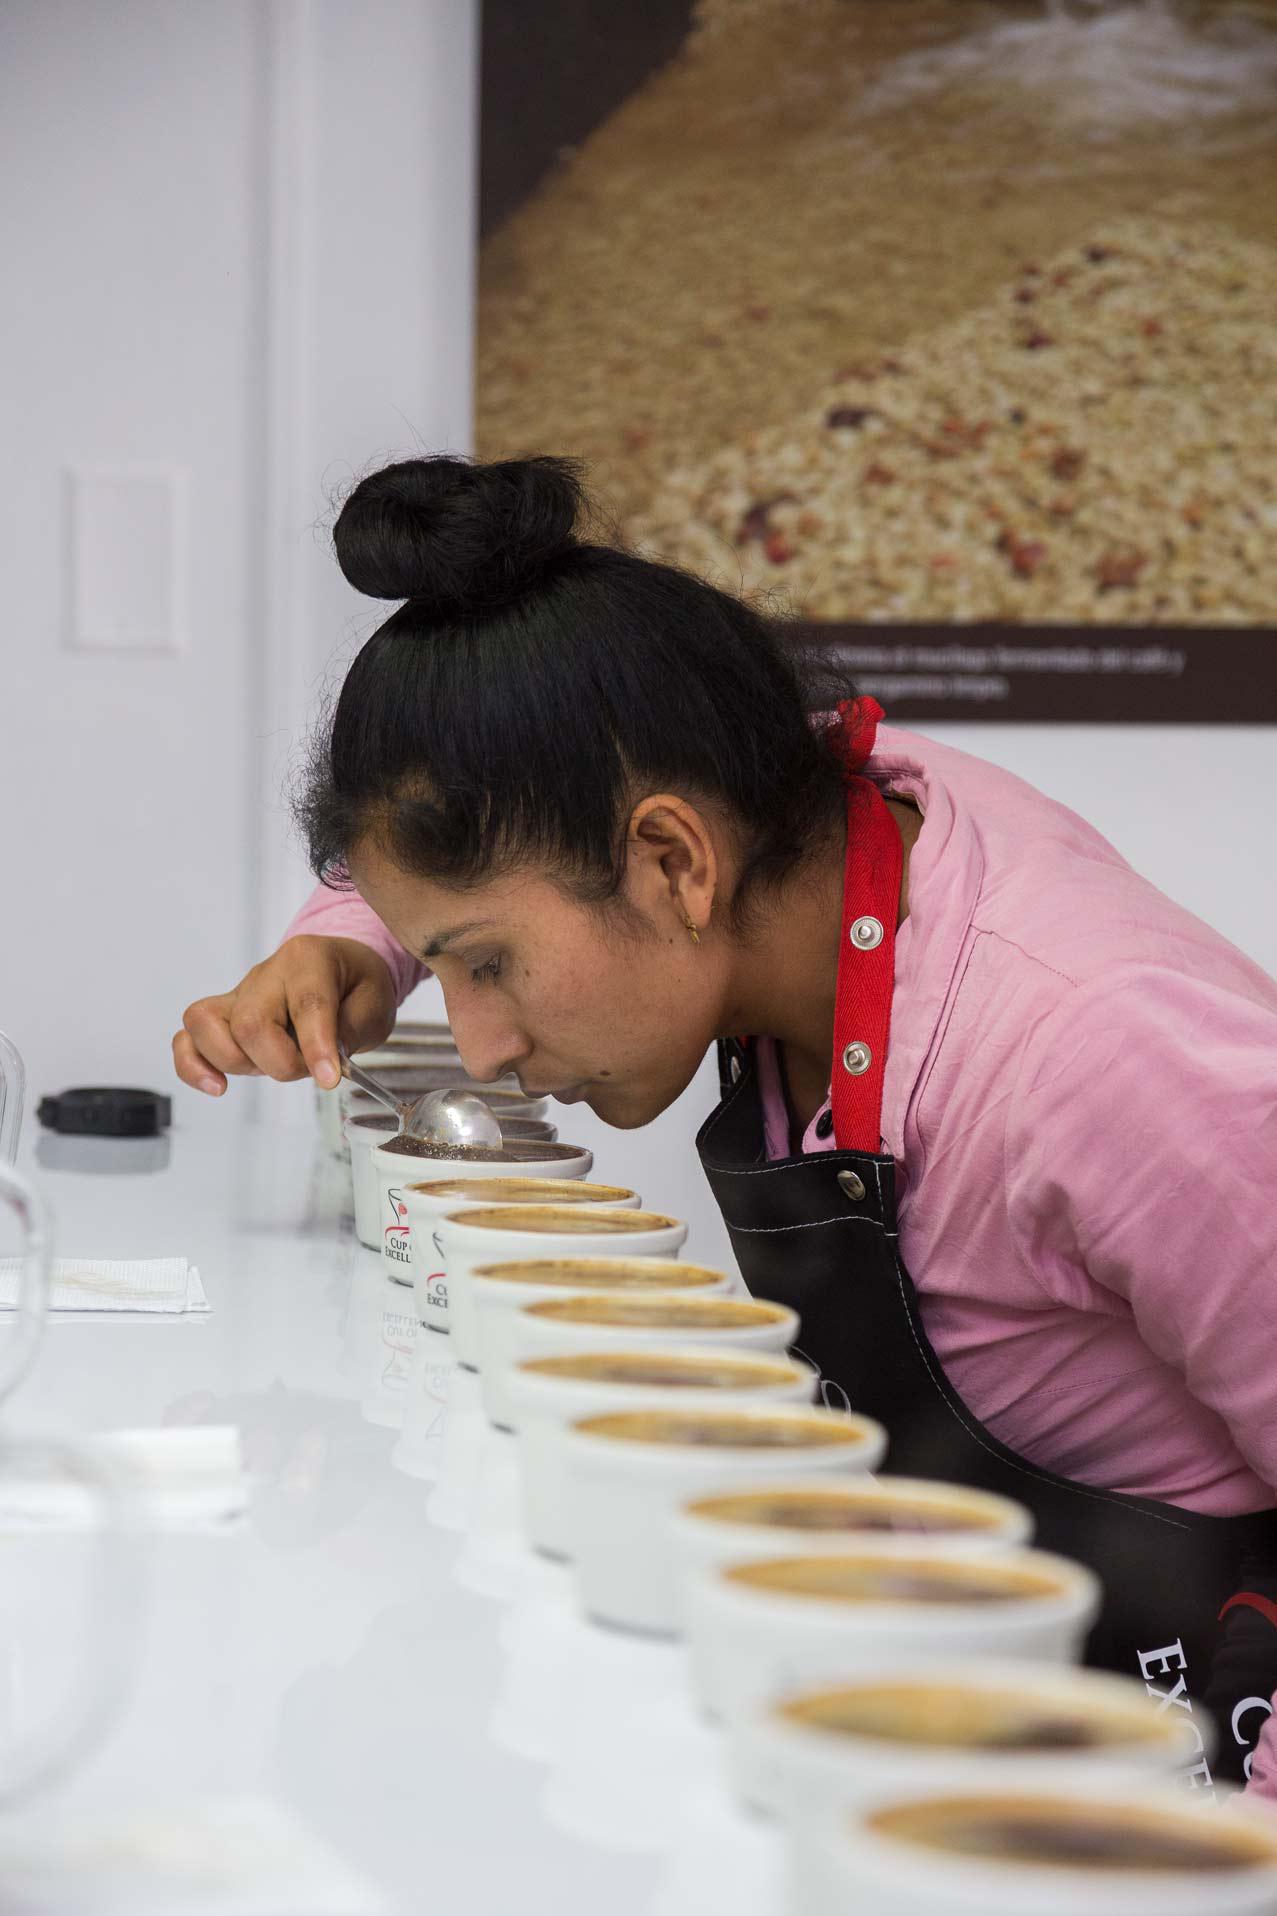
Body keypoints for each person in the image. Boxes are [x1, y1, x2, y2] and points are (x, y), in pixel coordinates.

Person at [175, 452, 1277, 1792]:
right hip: (938, 1703)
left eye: (485, 967)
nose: (483, 1047)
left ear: (674, 863)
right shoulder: (805, 810)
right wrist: (354, 945)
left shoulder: (1109, 1053)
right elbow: (460, 849)